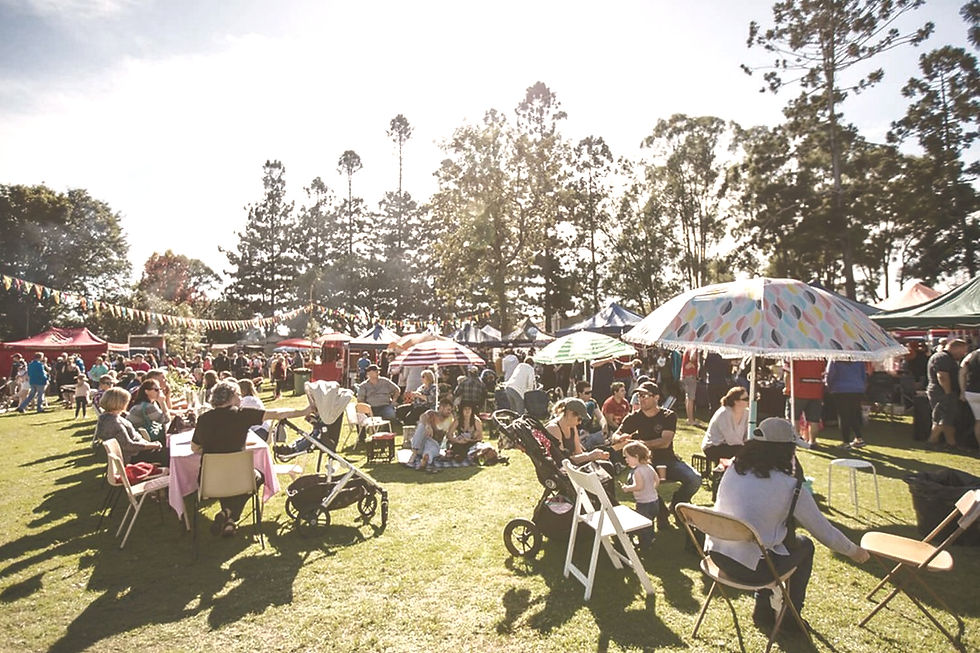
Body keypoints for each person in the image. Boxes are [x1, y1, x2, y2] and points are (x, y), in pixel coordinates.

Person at [706, 417, 870, 630]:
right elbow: (824, 531)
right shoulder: (790, 486)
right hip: (750, 568)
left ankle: (764, 610)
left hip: (718, 556)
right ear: (787, 451)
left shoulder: (734, 470)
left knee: (769, 545)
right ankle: (789, 617)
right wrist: (854, 551)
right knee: (804, 545)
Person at [191, 380, 315, 536]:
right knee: (257, 476)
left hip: (209, 481)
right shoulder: (242, 414)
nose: (241, 398)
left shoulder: (203, 419)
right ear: (230, 397)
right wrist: (304, 411)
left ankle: (229, 520)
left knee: (229, 479)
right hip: (239, 478)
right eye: (238, 394)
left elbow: (194, 448)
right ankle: (229, 514)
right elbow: (278, 414)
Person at [611, 381, 701, 522]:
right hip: (644, 463)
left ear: (656, 397)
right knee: (633, 480)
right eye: (639, 396)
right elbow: (615, 435)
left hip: (668, 461)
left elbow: (665, 442)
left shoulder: (668, 416)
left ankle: (677, 503)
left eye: (645, 395)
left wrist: (640, 444)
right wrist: (619, 438)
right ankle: (661, 511)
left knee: (694, 479)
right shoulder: (634, 417)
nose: (641, 399)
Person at [95, 387, 166, 465]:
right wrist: (152, 445)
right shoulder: (114, 422)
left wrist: (150, 444)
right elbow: (128, 445)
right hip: (132, 456)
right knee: (168, 454)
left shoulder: (105, 417)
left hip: (136, 451)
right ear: (120, 402)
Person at [926, 339, 968, 449]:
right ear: (956, 348)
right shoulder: (942, 357)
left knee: (948, 419)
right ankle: (931, 441)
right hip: (942, 392)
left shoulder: (946, 358)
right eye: (963, 351)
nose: (963, 354)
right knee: (942, 417)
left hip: (945, 392)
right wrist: (948, 393)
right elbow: (942, 376)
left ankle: (951, 443)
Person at [620, 441, 659, 550]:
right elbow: (657, 480)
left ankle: (645, 544)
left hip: (644, 503)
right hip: (655, 501)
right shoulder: (649, 467)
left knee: (643, 524)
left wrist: (627, 488)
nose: (626, 460)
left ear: (636, 456)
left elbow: (639, 486)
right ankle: (651, 538)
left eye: (627, 457)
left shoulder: (637, 471)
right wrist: (651, 489)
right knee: (650, 521)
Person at [701, 386, 750, 464]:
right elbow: (730, 439)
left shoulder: (747, 413)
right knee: (742, 452)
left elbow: (747, 434)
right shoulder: (724, 413)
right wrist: (746, 448)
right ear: (736, 401)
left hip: (735, 446)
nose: (749, 401)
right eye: (746, 399)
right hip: (714, 447)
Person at [825, 360, 868, 449]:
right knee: (854, 414)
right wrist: (862, 386)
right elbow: (863, 375)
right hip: (857, 388)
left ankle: (846, 442)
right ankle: (859, 438)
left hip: (840, 389)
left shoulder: (835, 360)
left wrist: (829, 387)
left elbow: (830, 375)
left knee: (843, 416)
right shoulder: (859, 359)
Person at [783, 359, 826, 446]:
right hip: (816, 392)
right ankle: (812, 441)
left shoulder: (793, 356)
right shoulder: (820, 357)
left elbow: (787, 374)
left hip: (797, 391)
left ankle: (796, 439)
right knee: (814, 420)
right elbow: (823, 374)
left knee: (794, 417)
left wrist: (787, 388)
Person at [411, 397, 456, 472]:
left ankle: (425, 460)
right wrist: (428, 425)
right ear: (441, 408)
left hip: (434, 444)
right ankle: (414, 454)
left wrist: (450, 448)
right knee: (422, 426)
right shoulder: (431, 413)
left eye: (450, 410)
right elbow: (422, 417)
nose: (449, 412)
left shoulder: (450, 418)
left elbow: (450, 434)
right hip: (422, 441)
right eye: (448, 409)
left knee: (430, 453)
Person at [127, 379, 171, 443]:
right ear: (146, 391)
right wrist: (162, 402)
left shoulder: (146, 403)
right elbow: (166, 419)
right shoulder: (148, 407)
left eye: (160, 389)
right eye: (156, 390)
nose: (159, 392)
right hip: (141, 441)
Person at [575, 381, 607, 450]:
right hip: (577, 434)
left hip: (589, 432)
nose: (590, 394)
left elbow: (600, 416)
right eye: (587, 393)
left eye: (591, 392)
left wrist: (604, 425)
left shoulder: (592, 402)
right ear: (580, 393)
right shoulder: (574, 403)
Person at [960, 346, 980, 449]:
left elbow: (962, 372)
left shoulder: (971, 355)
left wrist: (962, 391)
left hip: (972, 392)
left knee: (978, 420)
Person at [681, 348, 699, 425]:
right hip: (691, 375)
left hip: (685, 375)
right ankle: (691, 420)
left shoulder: (687, 349)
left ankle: (689, 418)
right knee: (691, 398)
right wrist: (693, 363)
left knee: (687, 398)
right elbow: (693, 357)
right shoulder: (693, 348)